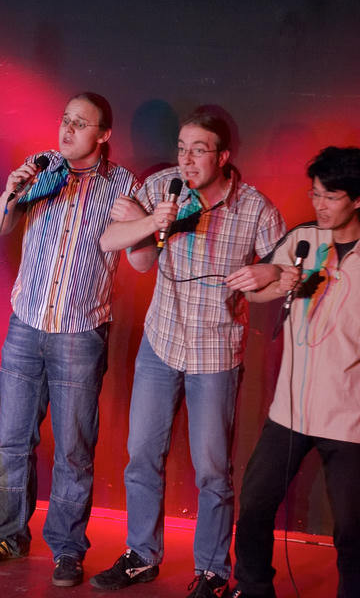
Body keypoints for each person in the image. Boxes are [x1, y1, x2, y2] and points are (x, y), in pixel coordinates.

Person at [91, 109, 285, 598]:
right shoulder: (163, 188)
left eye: (198, 150)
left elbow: (279, 278)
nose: (187, 160)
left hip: (216, 355)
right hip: (161, 344)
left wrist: (267, 275)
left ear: (223, 156)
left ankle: (213, 571)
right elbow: (123, 250)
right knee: (141, 456)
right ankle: (142, 555)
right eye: (182, 149)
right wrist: (149, 221)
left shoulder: (255, 209)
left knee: (213, 470)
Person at [229, 146, 360, 598]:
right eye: (315, 194)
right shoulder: (302, 240)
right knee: (255, 503)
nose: (318, 204)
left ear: (359, 199)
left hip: (350, 418)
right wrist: (271, 280)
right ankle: (254, 587)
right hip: (289, 411)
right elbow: (261, 294)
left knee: (351, 527)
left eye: (330, 196)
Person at [0, 92, 139, 588]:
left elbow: (140, 252)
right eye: (65, 120)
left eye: (81, 123)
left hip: (80, 333)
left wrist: (142, 219)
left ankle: (67, 548)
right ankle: (8, 535)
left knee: (74, 449)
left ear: (103, 134)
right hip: (26, 325)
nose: (68, 130)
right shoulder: (41, 168)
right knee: (13, 441)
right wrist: (11, 191)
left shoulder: (123, 184)